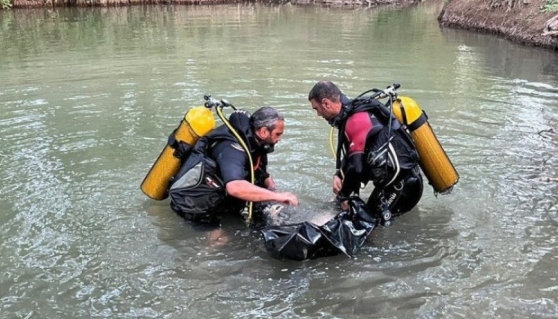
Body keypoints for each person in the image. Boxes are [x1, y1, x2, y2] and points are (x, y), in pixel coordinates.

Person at [308, 81, 423, 225]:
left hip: (404, 187)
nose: (318, 114)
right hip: (395, 182)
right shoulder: (353, 112)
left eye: (317, 109)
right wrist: (338, 174)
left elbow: (356, 168)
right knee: (359, 214)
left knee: (368, 225)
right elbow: (352, 155)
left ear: (326, 103)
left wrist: (344, 197)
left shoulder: (356, 121)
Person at [168, 106, 298, 226]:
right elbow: (234, 187)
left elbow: (261, 173)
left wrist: (274, 192)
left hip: (218, 192)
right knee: (220, 240)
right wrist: (278, 197)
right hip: (194, 203)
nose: (280, 138)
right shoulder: (232, 149)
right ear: (264, 131)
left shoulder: (256, 143)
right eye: (278, 134)